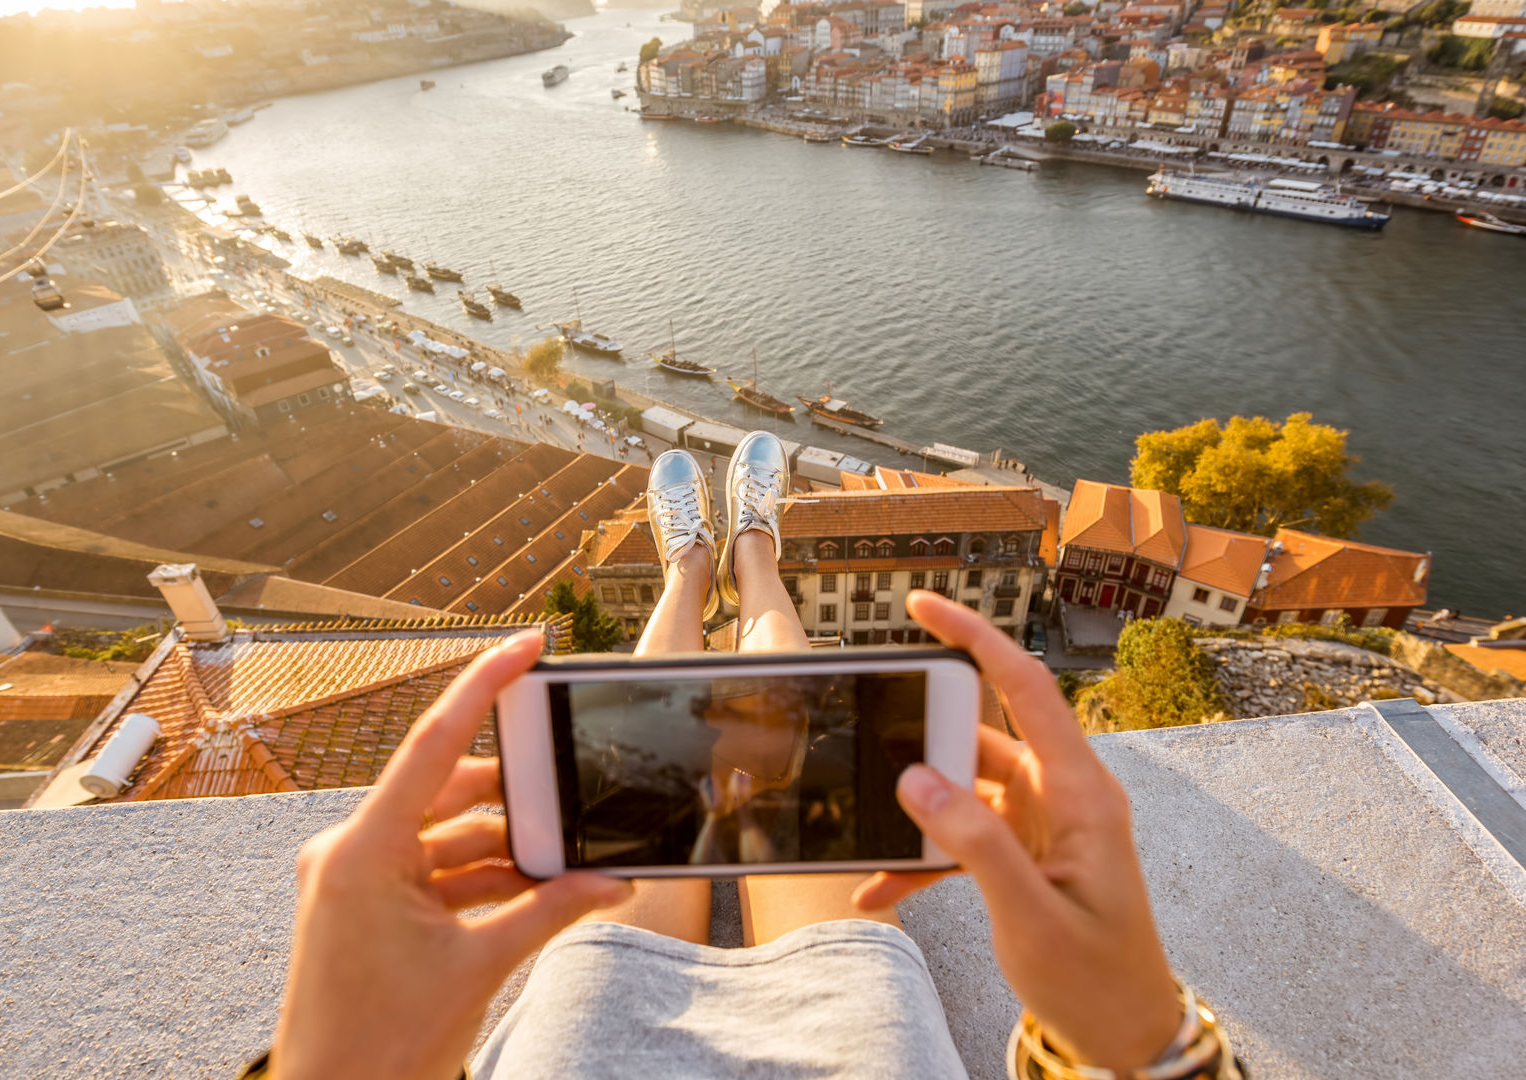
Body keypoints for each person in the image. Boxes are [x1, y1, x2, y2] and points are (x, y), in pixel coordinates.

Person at [257, 431, 1240, 1080]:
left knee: (657, 746)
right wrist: (1138, 1045)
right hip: (856, 1039)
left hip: (593, 1045)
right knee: (779, 736)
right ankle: (752, 555)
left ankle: (695, 564)